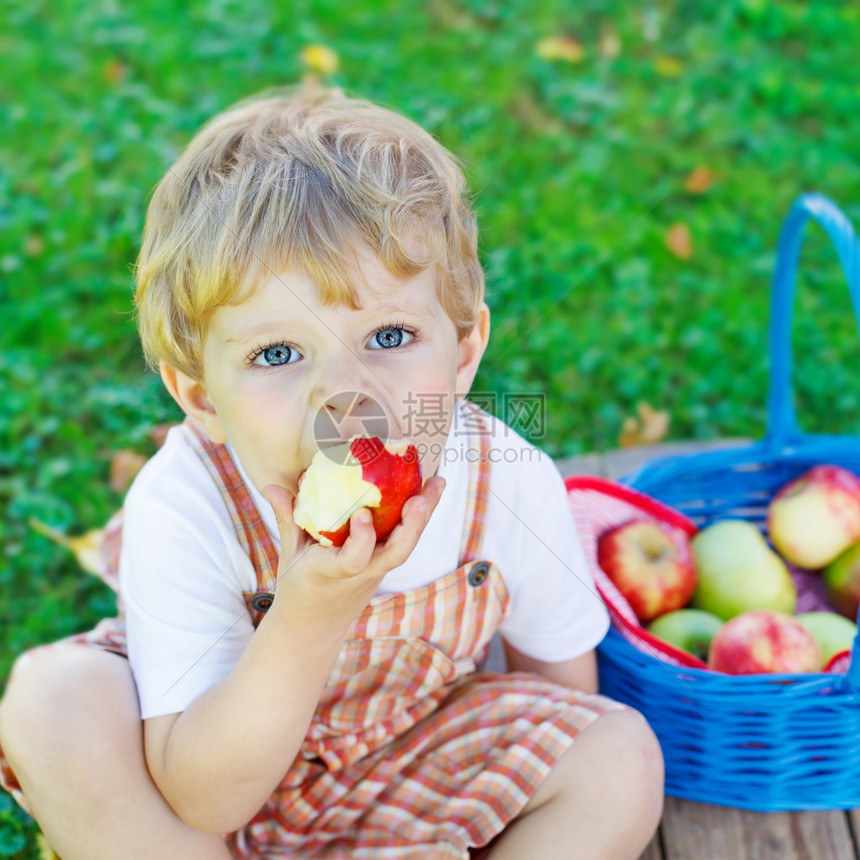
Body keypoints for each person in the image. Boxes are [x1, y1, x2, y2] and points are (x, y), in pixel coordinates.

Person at [0, 85, 664, 859]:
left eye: (389, 334)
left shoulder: (506, 481)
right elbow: (204, 797)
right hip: (205, 799)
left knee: (619, 756)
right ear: (200, 398)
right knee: (54, 702)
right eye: (277, 354)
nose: (346, 393)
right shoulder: (185, 505)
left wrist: (533, 785)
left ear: (464, 350)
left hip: (412, 765)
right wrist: (308, 612)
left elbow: (559, 691)